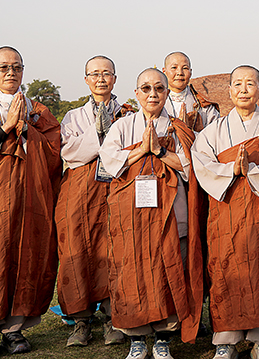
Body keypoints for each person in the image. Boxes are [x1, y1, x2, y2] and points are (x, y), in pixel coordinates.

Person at [0, 46, 61, 359]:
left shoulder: (36, 109)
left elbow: (55, 147)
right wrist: (7, 127)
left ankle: (14, 329)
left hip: (28, 190)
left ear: (23, 71)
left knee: (25, 253)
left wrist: (29, 128)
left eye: (16, 67)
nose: (10, 73)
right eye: (3, 67)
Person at [98, 68, 204, 359]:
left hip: (171, 214)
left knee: (169, 271)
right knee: (131, 273)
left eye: (159, 88)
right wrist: (141, 150)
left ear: (167, 93)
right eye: (146, 88)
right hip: (131, 215)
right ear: (136, 93)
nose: (153, 94)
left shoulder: (179, 129)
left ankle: (163, 338)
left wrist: (159, 152)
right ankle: (136, 338)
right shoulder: (122, 126)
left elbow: (192, 167)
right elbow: (109, 163)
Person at [191, 65, 259, 359]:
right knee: (226, 269)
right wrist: (231, 170)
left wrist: (253, 171)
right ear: (230, 90)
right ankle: (226, 341)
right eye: (238, 84)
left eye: (250, 84)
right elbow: (202, 164)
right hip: (227, 209)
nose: (244, 89)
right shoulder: (213, 131)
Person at [55, 55, 127, 347]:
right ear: (86, 80)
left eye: (106, 73)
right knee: (76, 249)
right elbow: (68, 152)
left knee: (113, 250)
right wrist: (104, 139)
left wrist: (102, 141)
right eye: (94, 74)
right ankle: (81, 321)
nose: (100, 79)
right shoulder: (72, 116)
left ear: (115, 79)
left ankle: (112, 317)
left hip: (114, 191)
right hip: (79, 192)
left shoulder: (128, 114)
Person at [161, 51, 220, 132]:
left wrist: (189, 133)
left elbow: (215, 135)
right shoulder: (154, 102)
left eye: (185, 68)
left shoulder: (204, 107)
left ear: (190, 72)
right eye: (174, 68)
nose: (180, 73)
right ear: (164, 72)